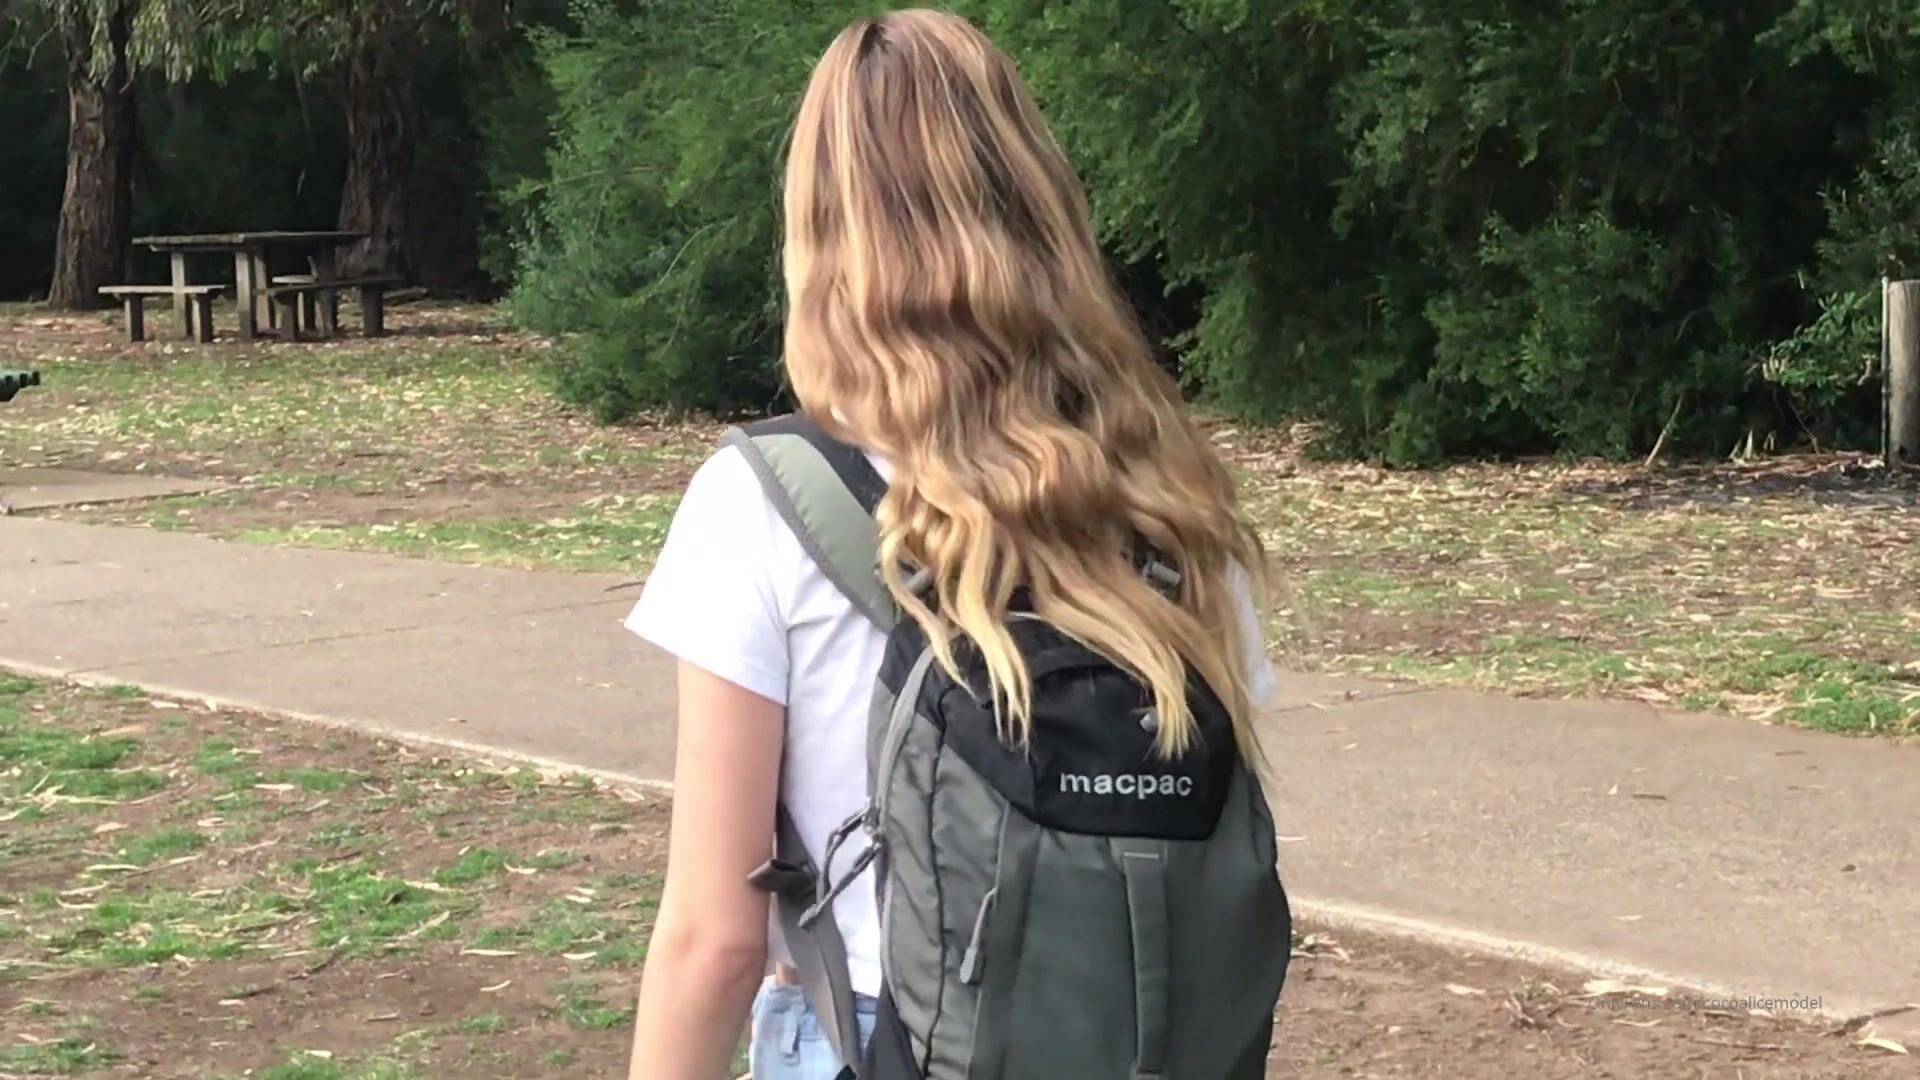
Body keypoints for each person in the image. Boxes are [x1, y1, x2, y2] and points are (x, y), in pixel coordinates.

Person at [623, 10, 1279, 1078]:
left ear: (821, 229)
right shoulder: (1169, 499)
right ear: (1039, 206)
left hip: (870, 1038)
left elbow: (716, 937)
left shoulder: (766, 499)